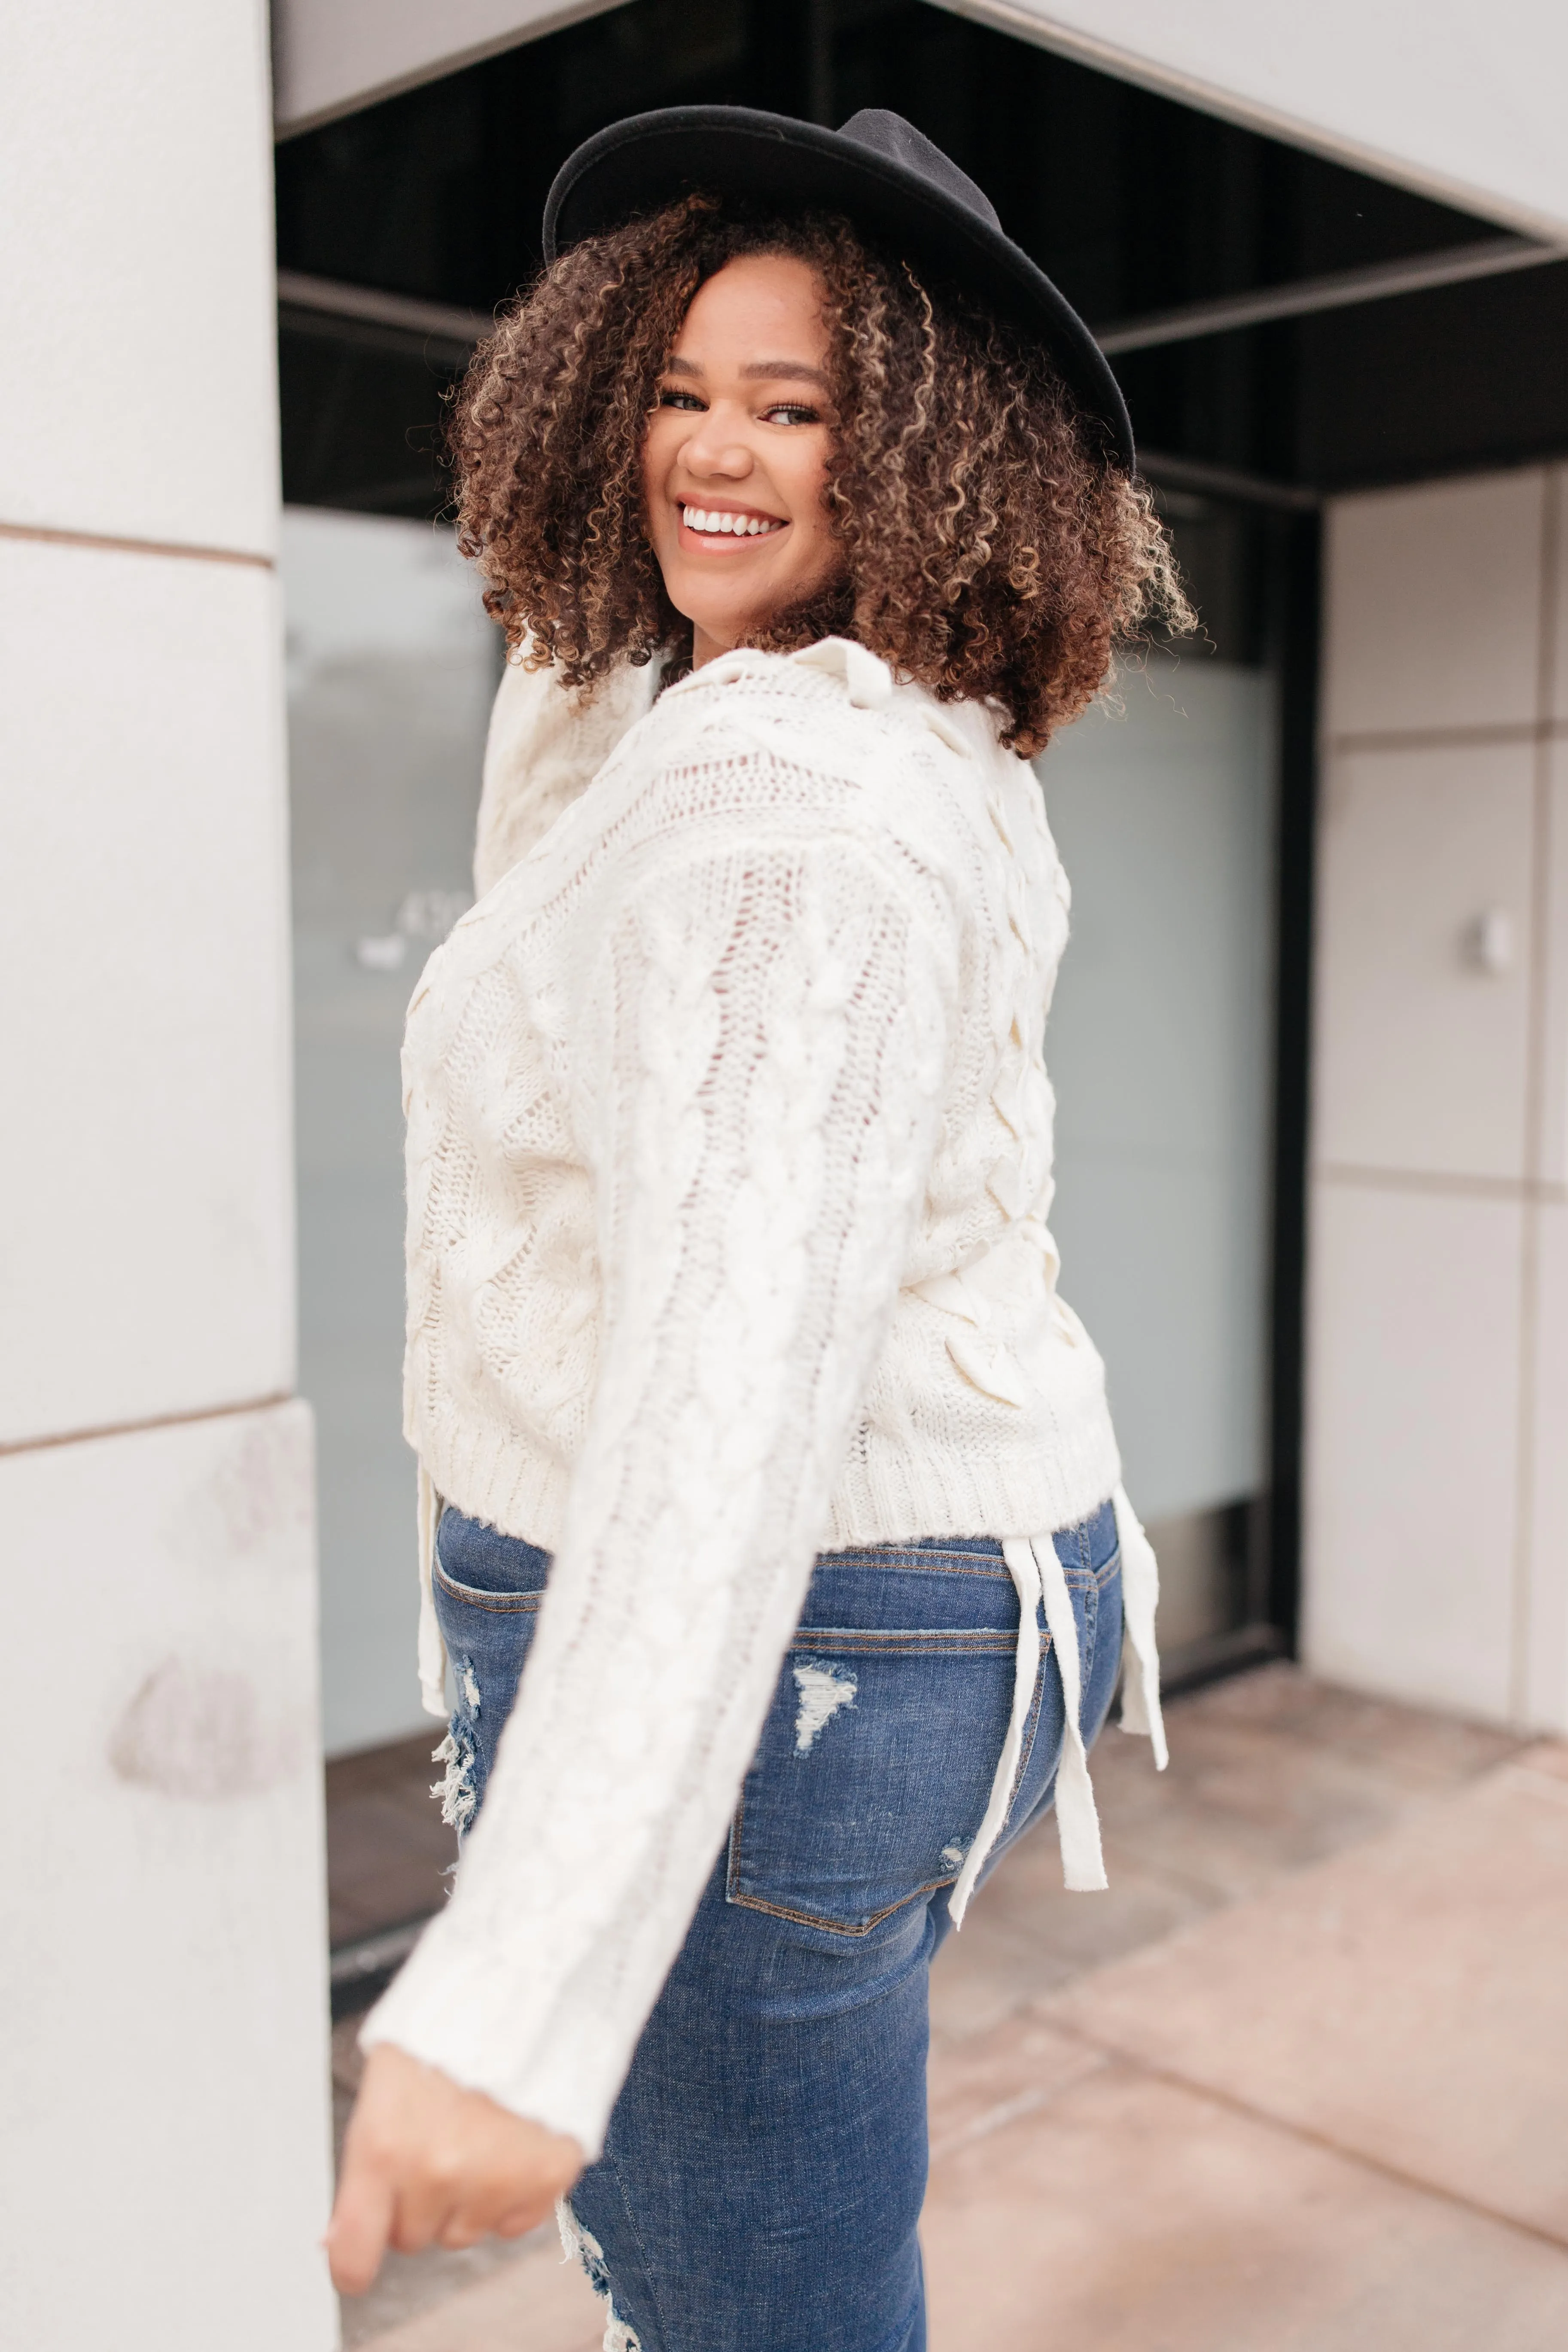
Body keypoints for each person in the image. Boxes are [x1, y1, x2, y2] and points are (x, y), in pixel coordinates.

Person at [327, 105, 1188, 2352]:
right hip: (963, 1576)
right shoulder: (896, 723)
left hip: (811, 1628)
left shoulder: (779, 818)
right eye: (676, 389)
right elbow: (581, 754)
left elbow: (725, 1422)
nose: (711, 449)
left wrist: (510, 2008)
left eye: (793, 408)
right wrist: (609, 580)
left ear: (917, 445)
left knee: (753, 2322)